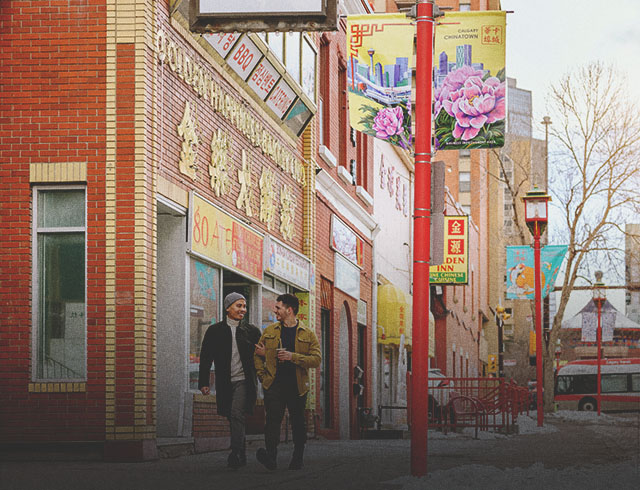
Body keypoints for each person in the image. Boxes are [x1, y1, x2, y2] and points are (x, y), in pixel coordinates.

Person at [254, 293, 321, 471]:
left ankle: (297, 457)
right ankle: (271, 457)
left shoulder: (308, 333)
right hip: (274, 383)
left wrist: (293, 357)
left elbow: (316, 359)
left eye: (278, 307)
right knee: (273, 420)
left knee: (298, 421)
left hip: (297, 385)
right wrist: (262, 376)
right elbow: (257, 355)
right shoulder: (270, 331)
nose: (275, 310)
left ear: (289, 310)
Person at [198, 292, 261, 469]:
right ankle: (241, 451)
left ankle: (235, 452)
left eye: (244, 306)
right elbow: (206, 357)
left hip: (244, 380)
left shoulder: (252, 331)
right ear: (228, 308)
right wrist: (203, 382)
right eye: (238, 305)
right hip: (225, 381)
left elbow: (262, 356)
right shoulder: (215, 331)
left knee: (236, 413)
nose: (243, 309)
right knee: (231, 415)